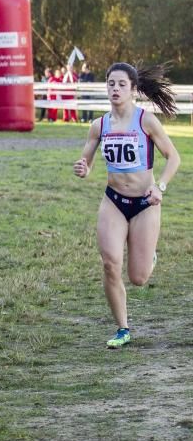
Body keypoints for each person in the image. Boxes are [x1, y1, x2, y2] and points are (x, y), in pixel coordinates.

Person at [73, 63, 180, 348]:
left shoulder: (146, 121)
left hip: (146, 202)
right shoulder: (99, 125)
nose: (115, 89)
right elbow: (87, 161)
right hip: (114, 201)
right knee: (110, 264)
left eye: (121, 84)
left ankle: (149, 256)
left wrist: (161, 187)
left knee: (138, 277)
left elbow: (174, 158)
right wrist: (83, 167)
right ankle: (123, 328)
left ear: (133, 90)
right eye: (111, 83)